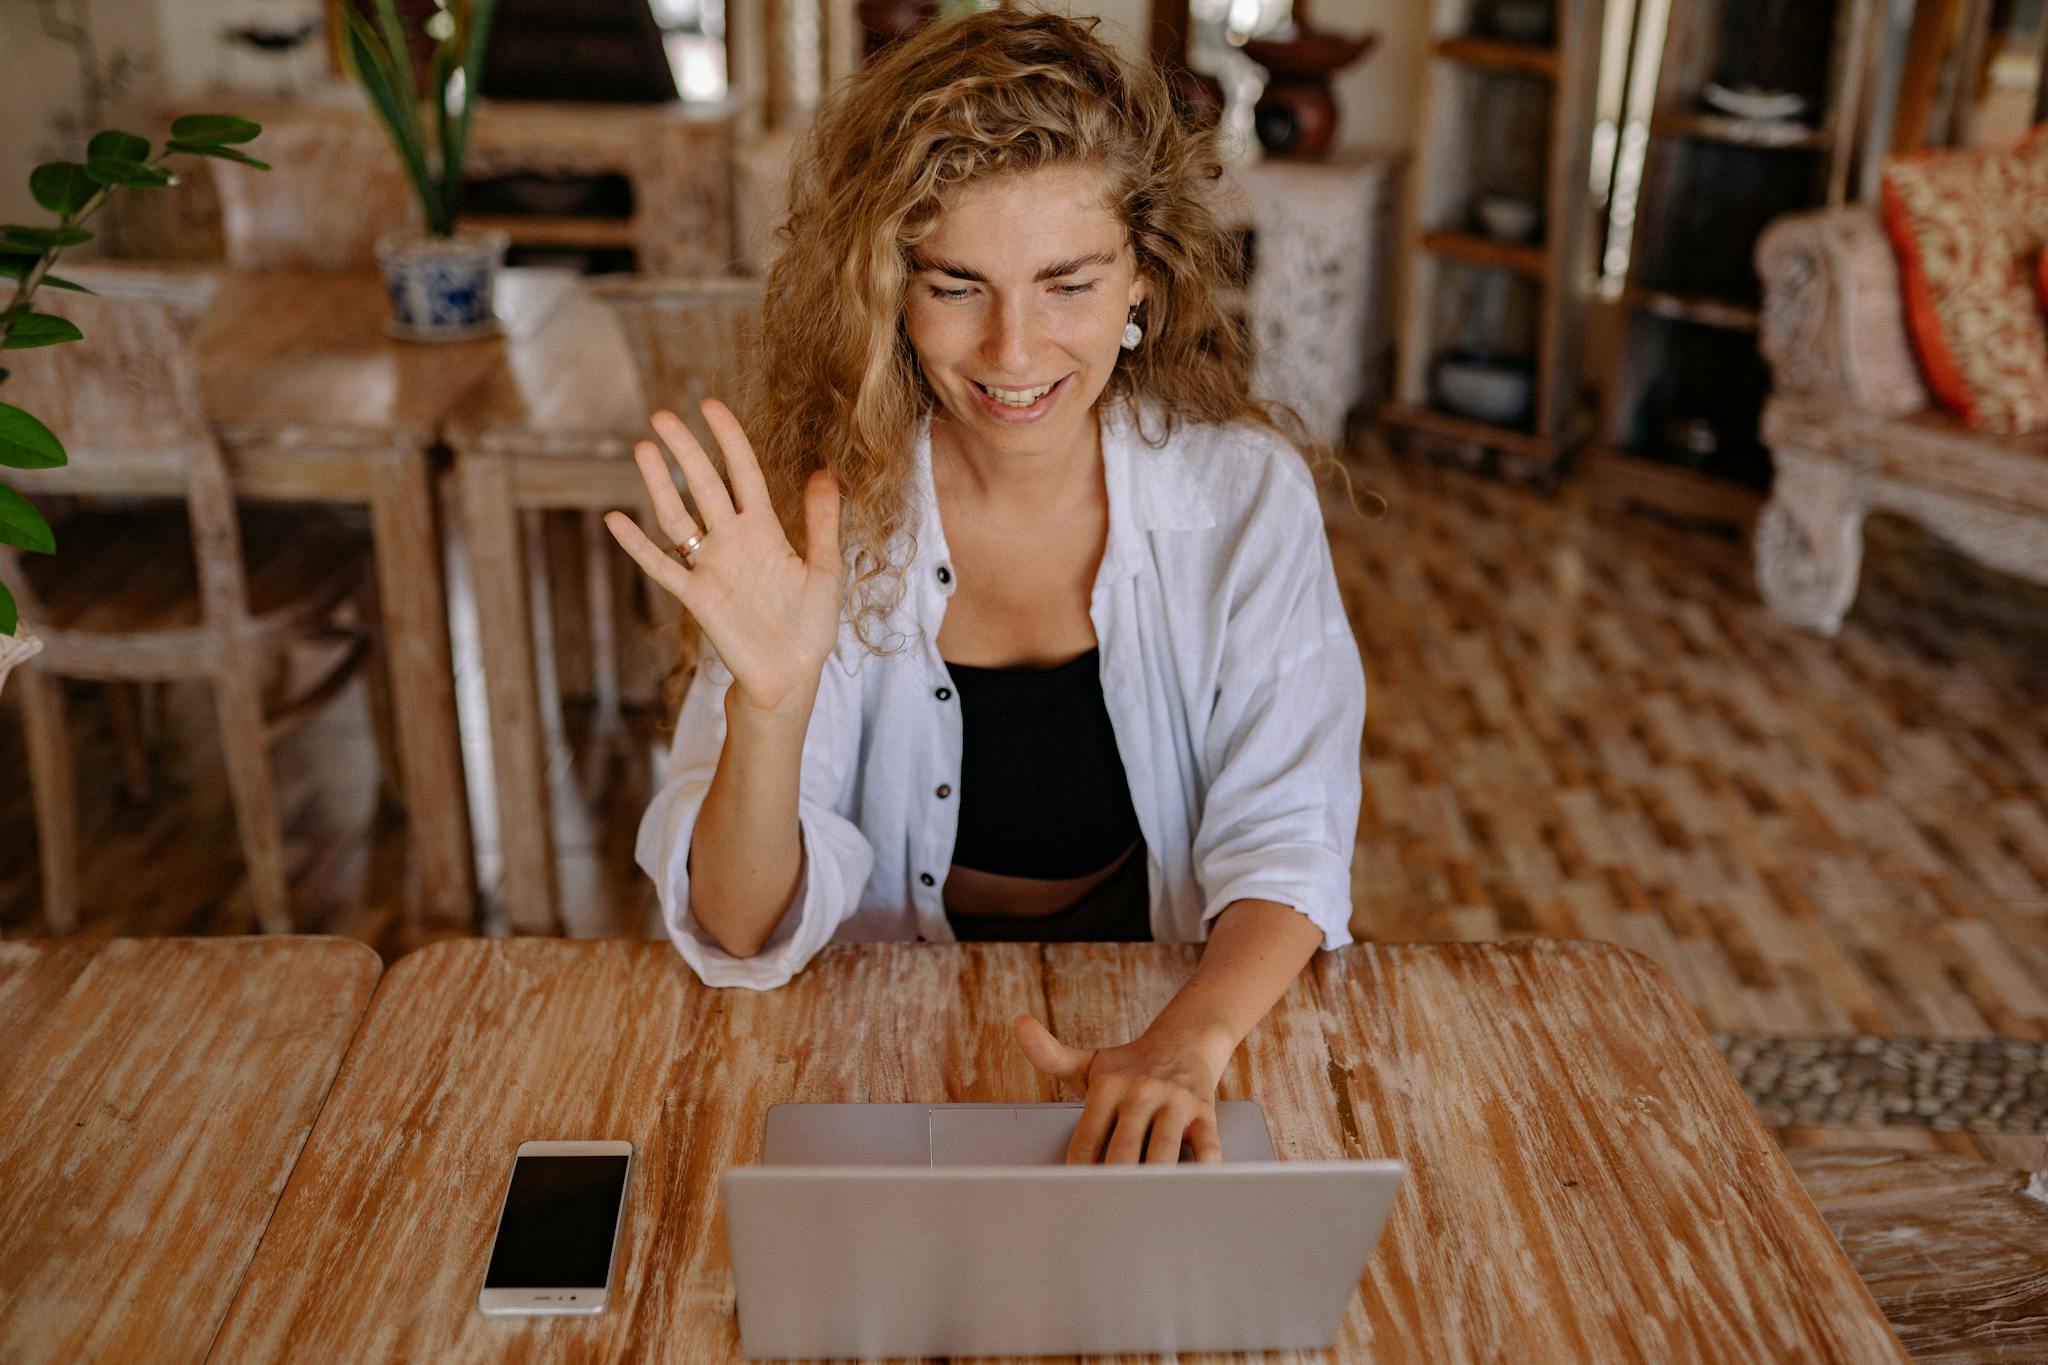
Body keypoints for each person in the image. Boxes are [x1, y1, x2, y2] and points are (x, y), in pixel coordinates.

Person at [605, 6, 1365, 1165]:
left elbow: (1288, 836)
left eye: (1067, 283)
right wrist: (770, 708)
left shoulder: (1241, 500)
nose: (1014, 353)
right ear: (890, 296)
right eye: (956, 285)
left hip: (1168, 1019)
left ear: (1141, 285)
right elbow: (736, 926)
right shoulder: (824, 514)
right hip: (867, 1051)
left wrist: (1183, 1046)